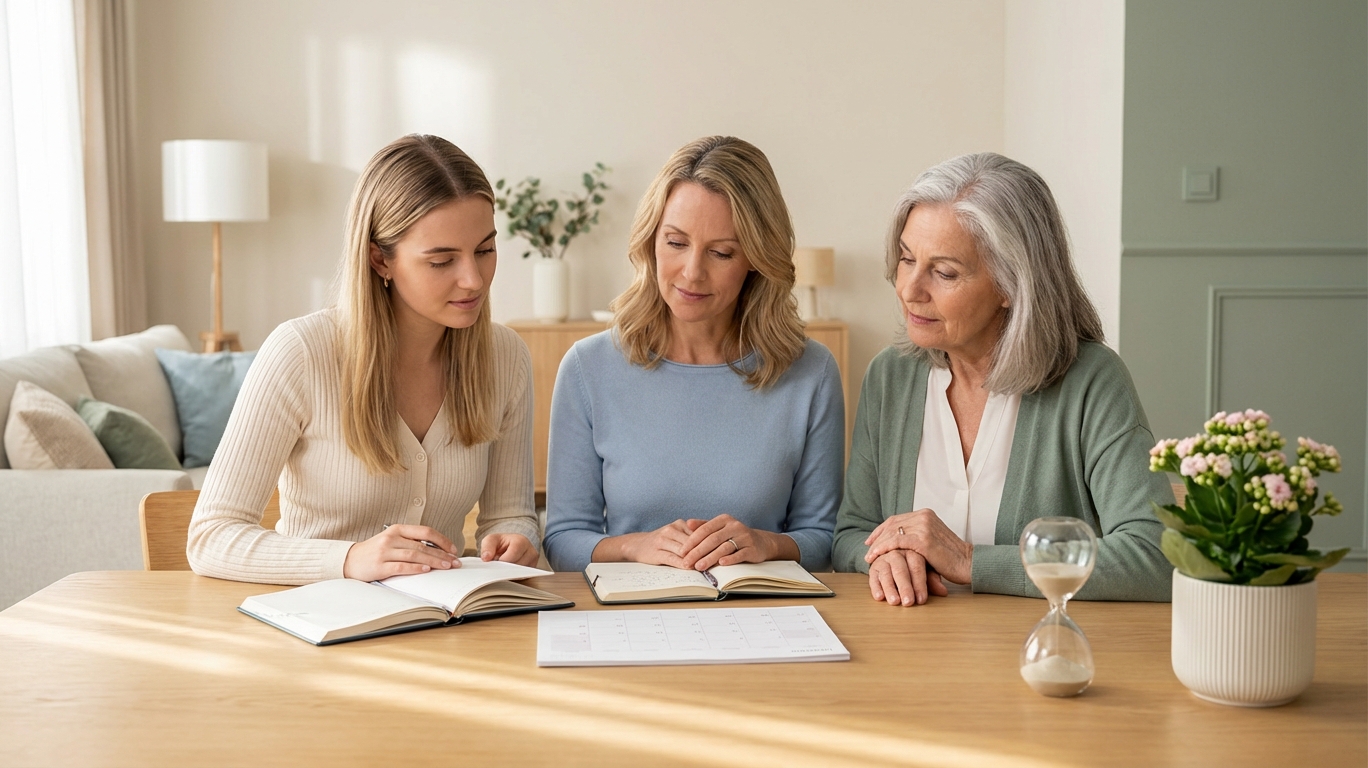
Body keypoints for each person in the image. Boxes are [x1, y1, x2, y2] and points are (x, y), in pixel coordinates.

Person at [188, 134, 540, 584]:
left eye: (485, 250)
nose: (473, 279)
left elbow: (511, 514)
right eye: (441, 261)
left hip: (442, 629)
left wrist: (515, 536)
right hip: (316, 630)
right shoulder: (300, 352)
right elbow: (211, 537)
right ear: (379, 260)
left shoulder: (505, 357)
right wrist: (350, 559)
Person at [833, 152, 1172, 605]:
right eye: (907, 259)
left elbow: (1152, 557)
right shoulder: (890, 375)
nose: (910, 289)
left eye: (945, 272)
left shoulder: (1092, 381)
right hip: (911, 653)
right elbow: (852, 532)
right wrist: (883, 555)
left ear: (1013, 285)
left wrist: (971, 561)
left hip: (1042, 657)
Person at [543, 136, 844, 574]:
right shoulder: (587, 368)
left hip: (761, 617)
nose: (692, 272)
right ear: (650, 240)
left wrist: (766, 544)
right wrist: (633, 547)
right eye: (676, 243)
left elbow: (823, 538)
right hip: (632, 617)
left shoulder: (811, 372)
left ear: (756, 259)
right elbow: (564, 539)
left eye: (721, 252)